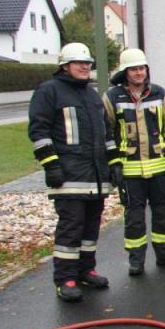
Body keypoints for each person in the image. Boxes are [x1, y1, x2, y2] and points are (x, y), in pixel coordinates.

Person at [28, 43, 123, 302]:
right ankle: (65, 279)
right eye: (79, 63)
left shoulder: (92, 96)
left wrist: (114, 164)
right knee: (71, 229)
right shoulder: (49, 92)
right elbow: (39, 132)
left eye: (87, 63)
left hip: (95, 177)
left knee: (91, 228)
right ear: (64, 66)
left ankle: (85, 270)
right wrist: (51, 165)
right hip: (69, 177)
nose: (85, 67)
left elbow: (107, 134)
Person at [103, 48, 165, 276]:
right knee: (134, 218)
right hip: (129, 170)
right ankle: (136, 260)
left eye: (142, 68)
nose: (139, 73)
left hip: (159, 168)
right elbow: (106, 131)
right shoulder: (112, 97)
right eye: (134, 69)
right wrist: (113, 163)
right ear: (125, 72)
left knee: (163, 214)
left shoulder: (159, 94)